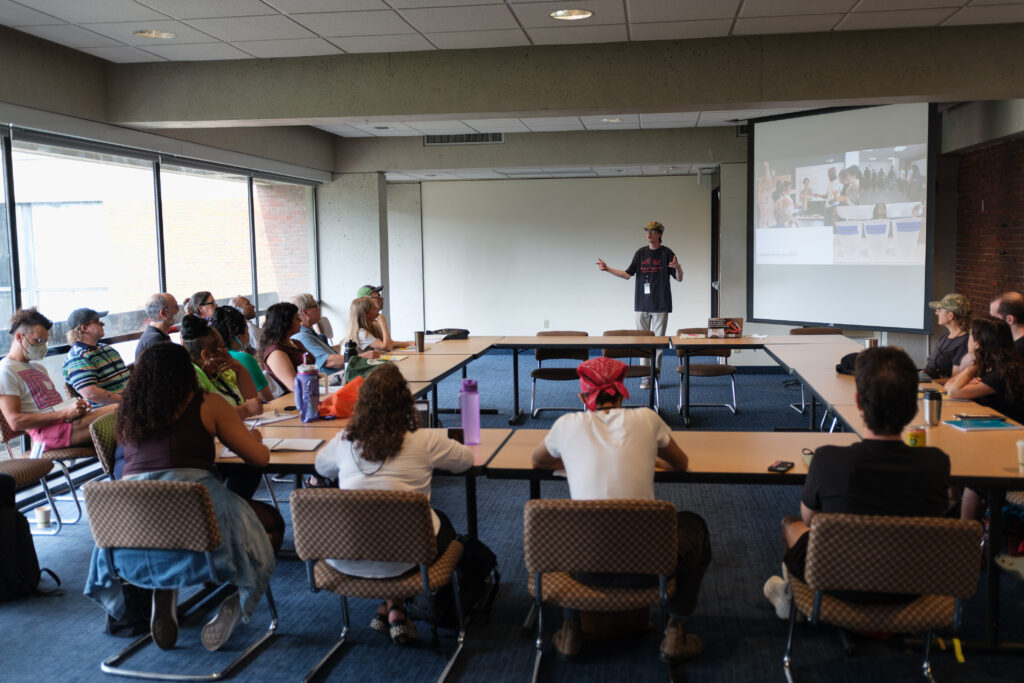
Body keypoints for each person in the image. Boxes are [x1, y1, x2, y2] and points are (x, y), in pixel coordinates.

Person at [85, 342, 279, 652]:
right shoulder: (208, 403)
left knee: (173, 532)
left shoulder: (128, 412)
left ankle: (166, 588)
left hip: (132, 525)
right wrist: (253, 438)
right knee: (271, 524)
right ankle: (236, 601)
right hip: (194, 510)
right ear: (188, 372)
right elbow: (259, 460)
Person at [531, 356, 710, 663]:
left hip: (582, 569)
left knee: (559, 528)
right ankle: (676, 630)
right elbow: (681, 464)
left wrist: (573, 458)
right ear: (621, 390)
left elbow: (538, 462)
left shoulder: (566, 425)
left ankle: (571, 623)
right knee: (694, 525)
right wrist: (651, 457)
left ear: (582, 395)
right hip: (649, 567)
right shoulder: (647, 418)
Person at [762, 347, 950, 619]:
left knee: (792, 524)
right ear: (914, 405)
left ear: (859, 403)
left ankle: (793, 596)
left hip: (839, 582)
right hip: (912, 586)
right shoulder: (936, 463)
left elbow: (811, 520)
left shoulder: (827, 459)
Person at [314, 363, 472, 645]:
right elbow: (466, 461)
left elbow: (320, 467)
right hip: (410, 560)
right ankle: (395, 606)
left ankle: (391, 606)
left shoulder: (344, 441)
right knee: (437, 522)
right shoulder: (424, 440)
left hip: (345, 556)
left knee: (384, 528)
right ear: (406, 402)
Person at [0, 308, 116, 450]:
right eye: (39, 340)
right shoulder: (5, 371)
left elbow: (52, 406)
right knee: (124, 411)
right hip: (47, 434)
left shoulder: (38, 368)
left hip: (65, 423)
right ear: (19, 337)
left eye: (44, 342)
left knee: (128, 416)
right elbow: (15, 422)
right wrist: (64, 413)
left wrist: (75, 408)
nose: (42, 346)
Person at [595, 220, 683, 388]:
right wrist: (608, 269)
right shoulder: (640, 253)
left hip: (661, 304)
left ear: (660, 234)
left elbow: (679, 278)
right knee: (642, 343)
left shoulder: (666, 253)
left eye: (652, 231)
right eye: (647, 231)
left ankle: (655, 374)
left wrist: (677, 267)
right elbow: (627, 274)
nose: (648, 234)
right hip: (642, 304)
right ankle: (645, 376)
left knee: (658, 343)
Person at [180, 315, 263, 420]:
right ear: (206, 355)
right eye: (223, 347)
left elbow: (254, 404)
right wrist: (245, 410)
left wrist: (241, 370)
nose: (227, 353)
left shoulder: (221, 371)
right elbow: (209, 417)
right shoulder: (192, 376)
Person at [61, 307, 131, 406]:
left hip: (130, 402)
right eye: (97, 321)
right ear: (84, 328)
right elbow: (90, 393)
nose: (103, 324)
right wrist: (128, 401)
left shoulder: (107, 349)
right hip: (110, 411)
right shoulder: (77, 357)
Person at [210, 306, 275, 402]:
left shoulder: (213, 359)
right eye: (247, 330)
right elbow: (267, 398)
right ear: (239, 337)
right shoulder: (244, 358)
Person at [259, 302, 309, 393]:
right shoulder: (276, 353)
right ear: (286, 323)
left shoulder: (296, 343)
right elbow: (294, 386)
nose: (301, 321)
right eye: (297, 319)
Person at [291, 293, 347, 374]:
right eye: (316, 306)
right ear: (305, 312)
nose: (319, 309)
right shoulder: (302, 337)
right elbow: (329, 362)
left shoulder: (310, 333)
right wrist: (359, 358)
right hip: (332, 382)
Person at [921, 293, 970, 381]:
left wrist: (929, 382)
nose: (936, 313)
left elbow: (955, 379)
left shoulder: (964, 342)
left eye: (940, 309)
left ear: (950, 315)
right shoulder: (944, 337)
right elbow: (931, 368)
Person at [345, 296, 409, 353]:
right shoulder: (361, 333)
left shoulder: (372, 326)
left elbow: (390, 343)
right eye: (373, 308)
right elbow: (387, 347)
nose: (377, 311)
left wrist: (409, 343)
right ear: (366, 314)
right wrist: (383, 324)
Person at [136, 293, 179, 361]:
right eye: (175, 307)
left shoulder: (155, 335)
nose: (177, 311)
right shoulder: (156, 340)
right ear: (163, 313)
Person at [989, 291, 1024, 355]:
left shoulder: (1016, 352)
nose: (990, 321)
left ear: (1010, 319)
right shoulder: (1010, 341)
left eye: (993, 317)